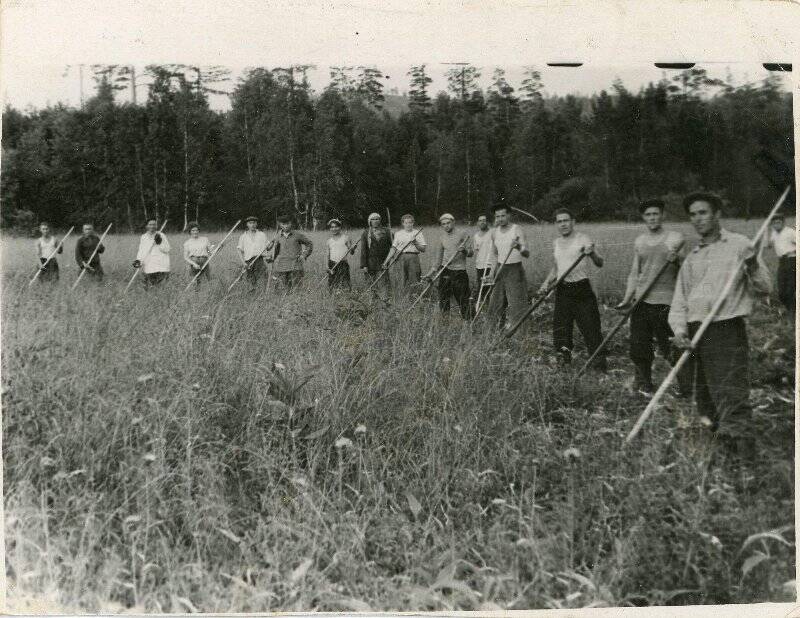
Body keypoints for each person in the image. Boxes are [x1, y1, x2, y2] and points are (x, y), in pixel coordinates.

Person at [669, 192, 771, 457]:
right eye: (692, 214)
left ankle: (745, 463)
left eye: (703, 212)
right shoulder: (692, 257)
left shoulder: (740, 246)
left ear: (717, 215)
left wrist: (752, 265)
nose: (697, 219)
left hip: (725, 330)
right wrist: (679, 332)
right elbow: (680, 300)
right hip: (694, 333)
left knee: (731, 394)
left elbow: (765, 288)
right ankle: (721, 455)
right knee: (704, 398)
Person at [616, 199, 687, 395]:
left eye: (655, 214)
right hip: (641, 301)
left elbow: (687, 268)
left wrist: (677, 259)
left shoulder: (675, 238)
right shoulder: (639, 241)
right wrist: (627, 298)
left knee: (669, 346)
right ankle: (644, 384)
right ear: (644, 218)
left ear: (662, 215)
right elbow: (634, 272)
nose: (652, 218)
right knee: (638, 346)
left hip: (665, 301)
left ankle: (686, 385)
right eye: (648, 215)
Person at [537, 208, 605, 369]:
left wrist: (592, 253)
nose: (563, 224)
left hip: (582, 289)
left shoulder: (583, 239)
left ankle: (599, 366)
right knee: (561, 328)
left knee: (591, 328)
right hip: (563, 290)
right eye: (559, 221)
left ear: (573, 222)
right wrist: (545, 284)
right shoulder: (556, 243)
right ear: (556, 224)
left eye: (566, 220)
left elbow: (599, 262)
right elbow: (556, 268)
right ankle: (563, 362)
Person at [486, 205, 530, 327]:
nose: (500, 219)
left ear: (509, 215)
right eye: (497, 216)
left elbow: (527, 253)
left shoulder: (517, 229)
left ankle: (518, 334)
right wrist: (491, 273)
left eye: (503, 215)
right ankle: (493, 332)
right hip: (500, 269)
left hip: (515, 269)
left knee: (517, 304)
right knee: (495, 303)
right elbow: (495, 254)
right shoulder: (494, 232)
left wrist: (518, 247)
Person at [423, 213, 473, 319]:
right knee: (444, 297)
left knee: (463, 298)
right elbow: (438, 258)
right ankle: (445, 319)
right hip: (445, 270)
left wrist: (464, 250)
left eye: (448, 223)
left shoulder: (462, 234)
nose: (446, 226)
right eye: (443, 224)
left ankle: (469, 321)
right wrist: (430, 273)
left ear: (453, 222)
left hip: (459, 271)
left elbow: (471, 253)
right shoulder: (442, 237)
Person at [383, 213, 426, 295]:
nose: (408, 225)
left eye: (410, 222)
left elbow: (423, 249)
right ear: (403, 223)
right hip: (400, 258)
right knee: (401, 279)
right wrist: (386, 261)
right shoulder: (398, 234)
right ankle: (402, 299)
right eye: (406, 223)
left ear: (413, 223)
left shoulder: (418, 233)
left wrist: (415, 242)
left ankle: (415, 298)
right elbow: (393, 248)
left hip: (413, 258)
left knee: (414, 279)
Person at [269, 215, 313, 291]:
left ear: (291, 223)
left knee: (297, 289)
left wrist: (304, 255)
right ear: (280, 225)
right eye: (283, 224)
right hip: (282, 267)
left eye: (287, 223)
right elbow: (275, 251)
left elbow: (309, 244)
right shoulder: (277, 236)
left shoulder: (297, 235)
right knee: (284, 290)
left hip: (295, 266)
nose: (285, 226)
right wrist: (271, 258)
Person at [765, 212, 795, 316]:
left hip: (792, 260)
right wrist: (765, 231)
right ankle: (788, 308)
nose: (777, 225)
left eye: (779, 222)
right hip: (782, 262)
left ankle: (791, 312)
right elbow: (768, 245)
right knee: (781, 289)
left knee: (790, 288)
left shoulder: (790, 232)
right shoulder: (774, 232)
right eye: (774, 223)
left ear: (783, 223)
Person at [359, 212, 393, 298]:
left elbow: (393, 247)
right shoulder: (366, 233)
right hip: (370, 262)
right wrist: (364, 265)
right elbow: (363, 250)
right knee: (370, 282)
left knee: (384, 281)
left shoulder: (387, 231)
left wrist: (389, 261)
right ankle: (372, 300)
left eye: (377, 219)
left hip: (383, 262)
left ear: (380, 220)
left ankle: (385, 300)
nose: (375, 221)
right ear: (369, 221)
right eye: (373, 219)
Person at [133, 218, 170, 287]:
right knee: (148, 286)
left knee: (160, 286)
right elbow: (141, 250)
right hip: (149, 265)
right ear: (146, 226)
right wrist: (138, 260)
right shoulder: (143, 237)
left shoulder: (161, 235)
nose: (152, 226)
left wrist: (159, 243)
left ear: (156, 226)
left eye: (154, 224)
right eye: (150, 224)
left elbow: (167, 249)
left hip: (161, 264)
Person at [236, 216, 270, 290]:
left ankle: (262, 294)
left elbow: (268, 247)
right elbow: (239, 250)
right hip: (248, 261)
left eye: (254, 223)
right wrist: (243, 263)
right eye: (250, 223)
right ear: (247, 224)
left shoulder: (262, 234)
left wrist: (273, 243)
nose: (252, 225)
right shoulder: (243, 236)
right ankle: (252, 295)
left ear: (256, 224)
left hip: (259, 260)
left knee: (262, 279)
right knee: (250, 280)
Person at [325, 218, 354, 291]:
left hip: (343, 264)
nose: (334, 229)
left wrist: (353, 248)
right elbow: (327, 255)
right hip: (332, 264)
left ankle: (345, 298)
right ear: (330, 228)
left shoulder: (346, 238)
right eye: (332, 227)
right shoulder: (329, 241)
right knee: (332, 285)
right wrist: (327, 266)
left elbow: (352, 252)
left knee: (344, 285)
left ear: (340, 227)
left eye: (336, 227)